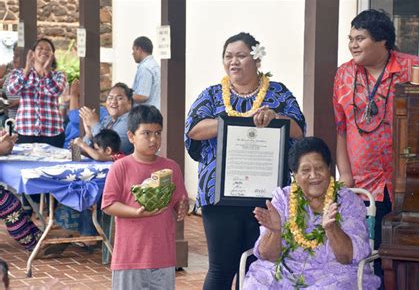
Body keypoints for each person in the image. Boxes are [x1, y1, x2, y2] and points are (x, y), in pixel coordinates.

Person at [185, 32, 306, 290]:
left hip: (265, 195)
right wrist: (229, 124)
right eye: (228, 56)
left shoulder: (278, 93)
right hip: (219, 195)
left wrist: (276, 117)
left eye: (241, 55)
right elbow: (193, 130)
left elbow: (299, 129)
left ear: (257, 59)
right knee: (221, 267)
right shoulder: (212, 95)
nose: (234, 62)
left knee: (256, 266)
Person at [332, 9, 419, 285]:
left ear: (383, 42)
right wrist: (346, 175)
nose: (353, 44)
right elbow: (340, 130)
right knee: (368, 255)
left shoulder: (413, 68)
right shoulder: (343, 75)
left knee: (403, 255)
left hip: (405, 180)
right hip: (363, 185)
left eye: (360, 38)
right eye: (350, 38)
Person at [243, 137, 380, 289]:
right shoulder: (282, 199)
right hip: (287, 273)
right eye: (306, 170)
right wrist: (275, 232)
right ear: (294, 175)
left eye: (319, 168)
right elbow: (269, 256)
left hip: (335, 274)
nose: (314, 175)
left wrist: (332, 229)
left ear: (329, 168)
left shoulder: (348, 201)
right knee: (257, 282)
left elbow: (347, 257)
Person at [102, 105, 189, 290]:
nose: (153, 139)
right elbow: (109, 204)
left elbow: (179, 201)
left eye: (158, 133)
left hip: (163, 255)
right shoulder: (120, 167)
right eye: (146, 133)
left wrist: (182, 207)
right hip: (130, 257)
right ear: (131, 136)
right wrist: (136, 212)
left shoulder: (171, 167)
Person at [6, 38, 67, 148]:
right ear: (33, 54)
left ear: (52, 55)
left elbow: (56, 91)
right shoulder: (18, 72)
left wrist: (47, 72)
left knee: (54, 164)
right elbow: (11, 90)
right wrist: (27, 70)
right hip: (25, 130)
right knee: (25, 164)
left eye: (48, 49)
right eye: (40, 48)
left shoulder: (59, 75)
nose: (44, 51)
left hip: (53, 131)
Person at [79, 82, 133, 155]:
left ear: (129, 102)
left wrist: (94, 124)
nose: (113, 102)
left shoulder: (129, 120)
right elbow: (83, 150)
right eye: (110, 98)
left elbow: (109, 149)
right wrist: (89, 134)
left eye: (119, 98)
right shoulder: (108, 119)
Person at [131, 36, 160, 108]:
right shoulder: (154, 65)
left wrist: (125, 96)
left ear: (139, 49)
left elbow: (143, 96)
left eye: (133, 50)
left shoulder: (145, 68)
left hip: (144, 114)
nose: (132, 53)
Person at [2, 42, 21, 120]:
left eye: (17, 55)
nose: (14, 58)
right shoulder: (13, 73)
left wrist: (19, 101)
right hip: (10, 119)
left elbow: (42, 97)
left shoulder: (34, 75)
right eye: (14, 55)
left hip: (25, 123)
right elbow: (5, 92)